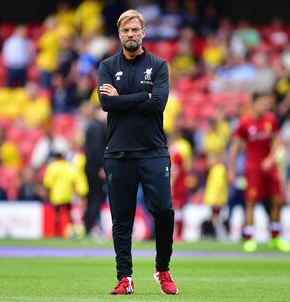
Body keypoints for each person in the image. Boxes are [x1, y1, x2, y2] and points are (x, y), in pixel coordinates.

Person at [97, 9, 178, 295]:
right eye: (125, 31)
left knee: (164, 211)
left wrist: (124, 99)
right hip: (118, 152)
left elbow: (158, 104)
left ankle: (163, 268)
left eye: (134, 30)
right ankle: (125, 278)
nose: (130, 35)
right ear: (119, 34)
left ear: (143, 32)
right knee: (121, 219)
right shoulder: (107, 66)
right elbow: (107, 105)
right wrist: (141, 97)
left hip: (153, 150)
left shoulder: (158, 66)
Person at [228, 92, 290, 253]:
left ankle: (276, 238)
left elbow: (278, 141)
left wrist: (271, 159)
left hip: (270, 168)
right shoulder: (244, 123)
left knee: (278, 200)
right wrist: (231, 169)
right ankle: (249, 238)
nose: (266, 106)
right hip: (253, 168)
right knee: (250, 202)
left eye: (268, 103)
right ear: (254, 103)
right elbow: (235, 148)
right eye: (263, 103)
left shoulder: (271, 120)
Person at [84, 105, 107, 238]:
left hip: (89, 166)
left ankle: (89, 226)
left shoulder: (91, 125)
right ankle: (90, 227)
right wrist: (102, 166)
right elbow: (97, 149)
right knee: (96, 198)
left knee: (92, 198)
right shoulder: (98, 127)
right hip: (95, 167)